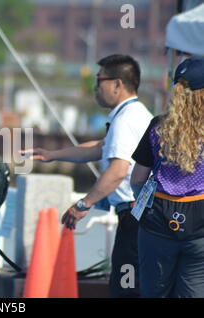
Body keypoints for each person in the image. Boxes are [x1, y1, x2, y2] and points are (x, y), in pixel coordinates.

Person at [21, 54, 153, 297]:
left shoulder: (126, 120)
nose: (95, 88)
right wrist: (53, 155)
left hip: (134, 217)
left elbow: (117, 171)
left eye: (99, 80)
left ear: (117, 84)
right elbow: (100, 148)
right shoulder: (135, 114)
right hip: (141, 216)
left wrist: (83, 205)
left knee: (126, 289)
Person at [131, 56, 204, 298]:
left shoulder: (157, 127)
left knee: (154, 292)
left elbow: (138, 178)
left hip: (158, 218)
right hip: (200, 220)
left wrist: (144, 203)